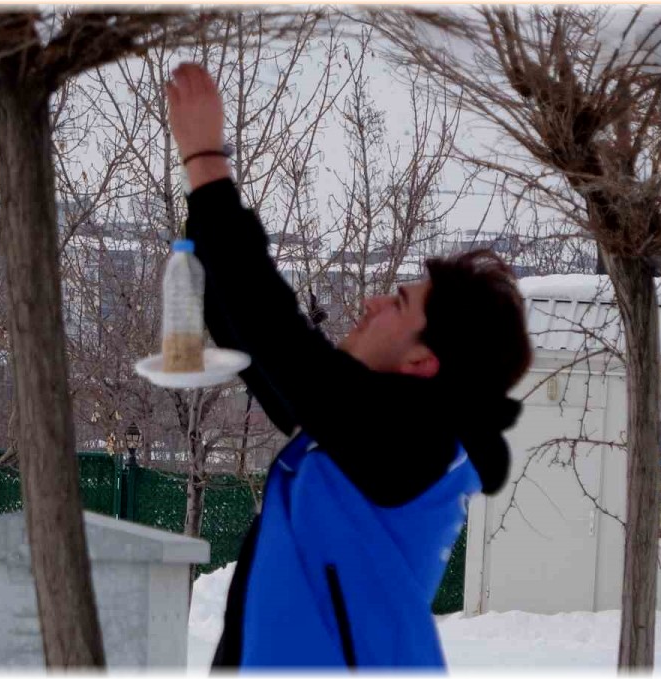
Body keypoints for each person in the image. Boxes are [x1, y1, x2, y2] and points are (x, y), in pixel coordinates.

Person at [165, 63, 532, 669]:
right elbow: (253, 339)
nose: (372, 301)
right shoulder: (369, 439)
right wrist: (200, 222)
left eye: (401, 302)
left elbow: (278, 337)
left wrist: (206, 159)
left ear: (422, 360)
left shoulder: (410, 446)